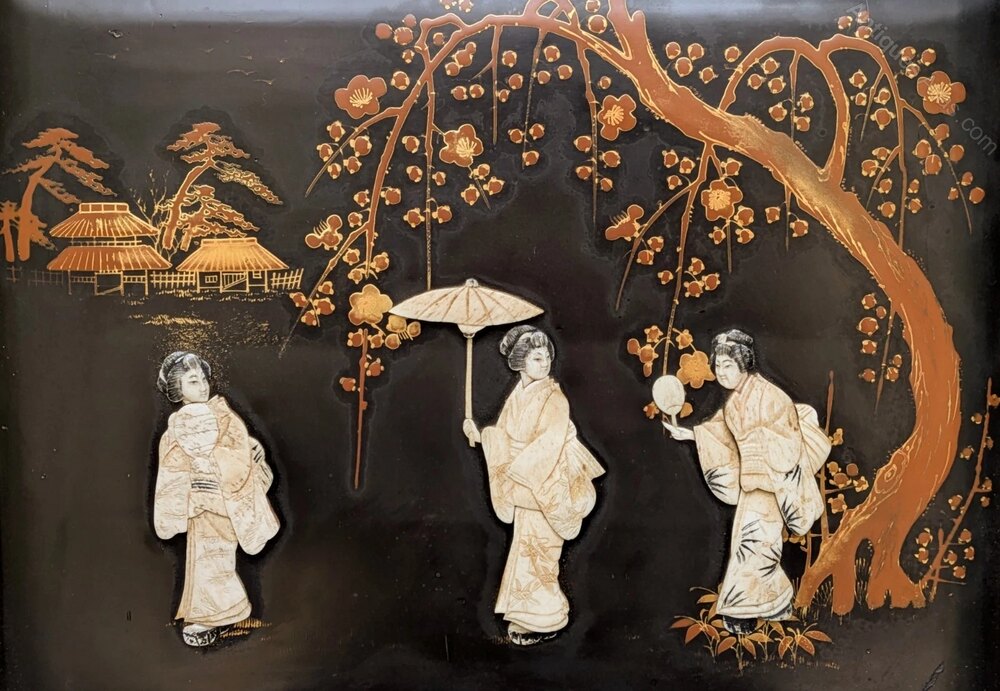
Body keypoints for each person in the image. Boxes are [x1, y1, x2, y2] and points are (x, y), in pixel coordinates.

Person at [662, 330, 829, 635]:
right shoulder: (734, 403)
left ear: (744, 364)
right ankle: (777, 604)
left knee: (753, 546)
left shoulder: (771, 396)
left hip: (772, 481)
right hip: (752, 484)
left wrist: (762, 447)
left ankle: (742, 613)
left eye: (728, 366)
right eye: (718, 366)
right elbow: (720, 435)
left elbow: (787, 439)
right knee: (757, 545)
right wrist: (691, 434)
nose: (721, 373)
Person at [463, 326, 605, 646]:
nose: (545, 363)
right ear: (520, 362)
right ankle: (531, 615)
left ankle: (545, 617)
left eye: (547, 357)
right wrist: (481, 436)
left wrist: (516, 470)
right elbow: (503, 437)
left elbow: (549, 443)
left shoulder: (553, 398)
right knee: (527, 548)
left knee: (542, 552)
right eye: (537, 358)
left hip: (548, 481)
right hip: (527, 480)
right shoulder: (517, 395)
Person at [153, 351, 280, 647]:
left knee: (214, 556)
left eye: (203, 379)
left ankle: (217, 614)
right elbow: (174, 463)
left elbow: (236, 446)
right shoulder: (177, 425)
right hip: (198, 501)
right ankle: (210, 613)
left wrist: (251, 448)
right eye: (192, 381)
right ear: (177, 389)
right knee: (204, 557)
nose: (202, 386)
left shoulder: (221, 413)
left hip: (221, 497)